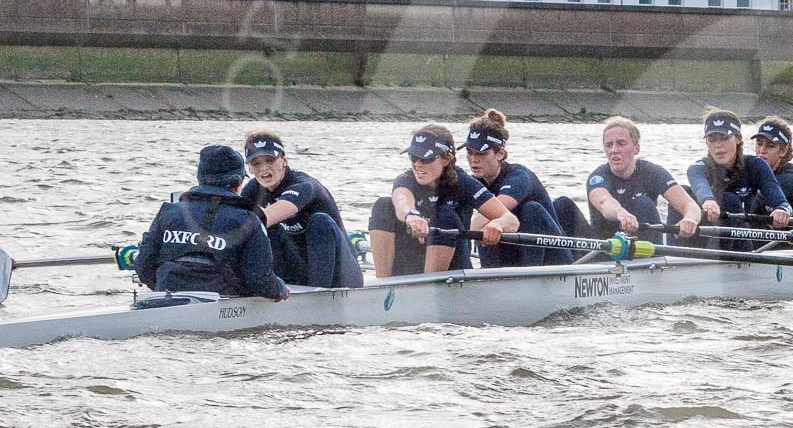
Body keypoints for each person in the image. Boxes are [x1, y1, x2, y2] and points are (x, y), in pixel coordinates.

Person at [134, 145, 288, 301]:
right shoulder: (249, 220)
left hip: (166, 293)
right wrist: (280, 288)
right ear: (238, 182)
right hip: (220, 300)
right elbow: (259, 281)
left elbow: (143, 266)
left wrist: (164, 287)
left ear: (199, 178)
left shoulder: (168, 212)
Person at [366, 124, 513, 277]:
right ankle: (382, 283)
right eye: (413, 157)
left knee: (444, 214)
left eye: (426, 158)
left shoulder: (463, 182)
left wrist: (497, 224)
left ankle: (429, 286)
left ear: (445, 159)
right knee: (382, 205)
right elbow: (402, 200)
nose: (417, 164)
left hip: (453, 269)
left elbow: (510, 219)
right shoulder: (406, 179)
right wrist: (411, 214)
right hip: (411, 263)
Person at [238, 129, 362, 289]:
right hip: (301, 269)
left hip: (342, 274)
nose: (263, 168)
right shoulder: (253, 188)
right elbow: (235, 216)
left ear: (284, 161)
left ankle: (317, 298)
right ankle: (273, 288)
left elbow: (271, 214)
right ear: (249, 168)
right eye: (256, 163)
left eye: (270, 160)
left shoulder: (303, 184)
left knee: (319, 221)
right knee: (261, 230)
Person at [462, 109, 582, 266]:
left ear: (500, 154)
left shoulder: (519, 176)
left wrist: (461, 233)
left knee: (528, 209)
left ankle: (528, 277)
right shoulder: (474, 182)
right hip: (515, 254)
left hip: (554, 259)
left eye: (481, 154)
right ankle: (488, 276)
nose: (473, 160)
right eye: (469, 153)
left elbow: (495, 210)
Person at [685, 109, 792, 249]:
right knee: (683, 192)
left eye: (724, 137)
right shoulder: (697, 168)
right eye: (712, 139)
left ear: (738, 139)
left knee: (729, 200)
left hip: (745, 241)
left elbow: (781, 201)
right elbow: (700, 186)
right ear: (707, 143)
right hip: (706, 239)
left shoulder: (756, 165)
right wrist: (708, 200)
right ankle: (673, 260)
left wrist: (782, 210)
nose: (718, 145)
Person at [585, 116, 702, 239]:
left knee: (643, 203)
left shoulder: (651, 172)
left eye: (621, 143)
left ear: (637, 148)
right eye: (609, 145)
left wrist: (689, 219)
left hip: (646, 247)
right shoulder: (598, 177)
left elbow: (689, 205)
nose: (614, 150)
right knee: (563, 203)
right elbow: (604, 202)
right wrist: (620, 212)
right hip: (605, 249)